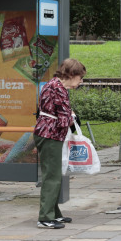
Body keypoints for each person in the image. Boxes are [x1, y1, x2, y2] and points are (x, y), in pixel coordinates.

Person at [33, 58, 86, 229]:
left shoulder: (52, 84)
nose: (81, 81)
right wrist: (74, 120)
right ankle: (45, 217)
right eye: (80, 77)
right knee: (52, 177)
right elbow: (64, 119)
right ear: (71, 74)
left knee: (53, 175)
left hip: (46, 133)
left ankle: (53, 213)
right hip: (51, 136)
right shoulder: (59, 89)